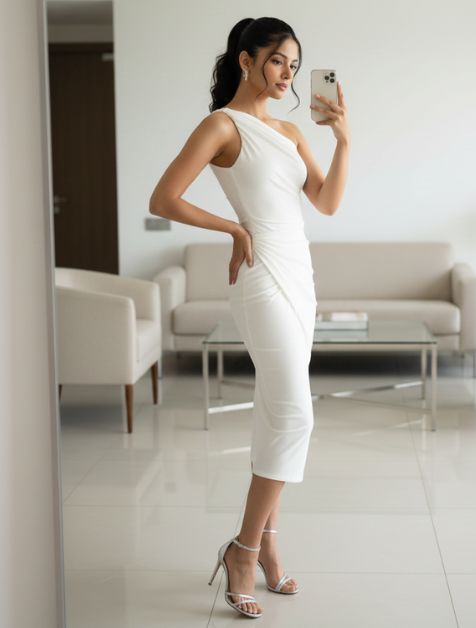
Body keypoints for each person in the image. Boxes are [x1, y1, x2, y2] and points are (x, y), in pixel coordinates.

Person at [148, 16, 351, 619]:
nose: (288, 73)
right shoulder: (222, 125)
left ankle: (267, 545)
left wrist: (343, 140)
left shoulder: (290, 130)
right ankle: (243, 549)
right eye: (278, 60)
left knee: (274, 411)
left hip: (299, 274)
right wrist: (233, 229)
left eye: (295, 64)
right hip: (260, 277)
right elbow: (164, 198)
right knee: (294, 412)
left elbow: (327, 203)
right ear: (246, 59)